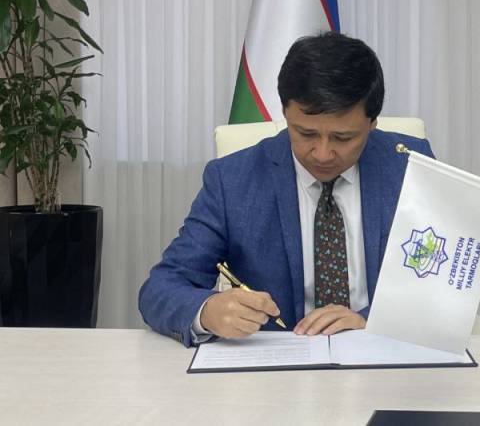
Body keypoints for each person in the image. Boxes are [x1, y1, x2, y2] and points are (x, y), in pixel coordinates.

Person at [139, 33, 433, 347]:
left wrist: (372, 321)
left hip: (385, 360)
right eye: (306, 133)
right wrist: (208, 311)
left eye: (343, 138)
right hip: (275, 366)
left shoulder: (411, 167)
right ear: (285, 113)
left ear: (372, 123)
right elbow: (161, 287)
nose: (322, 153)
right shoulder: (233, 181)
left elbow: (446, 288)